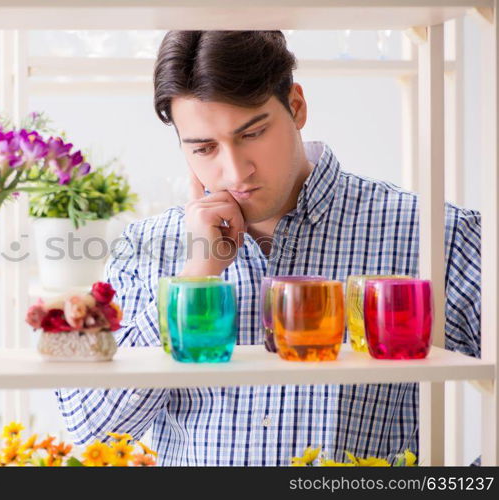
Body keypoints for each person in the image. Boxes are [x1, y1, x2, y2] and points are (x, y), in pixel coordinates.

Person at [55, 31, 481, 466]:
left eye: (253, 133)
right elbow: (90, 430)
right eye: (204, 148)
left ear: (296, 106)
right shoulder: (146, 246)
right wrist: (195, 274)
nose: (236, 171)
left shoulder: (437, 234)